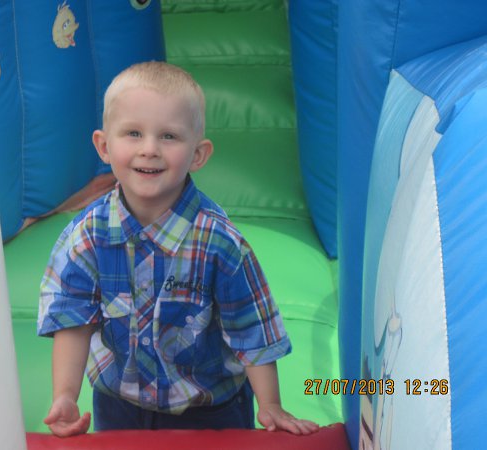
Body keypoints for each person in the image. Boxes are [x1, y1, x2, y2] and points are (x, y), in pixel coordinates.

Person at [37, 61, 319, 437]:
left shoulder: (218, 242)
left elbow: (251, 327)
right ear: (104, 146)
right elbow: (73, 321)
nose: (149, 149)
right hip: (119, 404)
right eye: (133, 133)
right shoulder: (87, 236)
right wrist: (65, 395)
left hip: (209, 409)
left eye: (168, 136)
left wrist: (270, 405)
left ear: (198, 155)